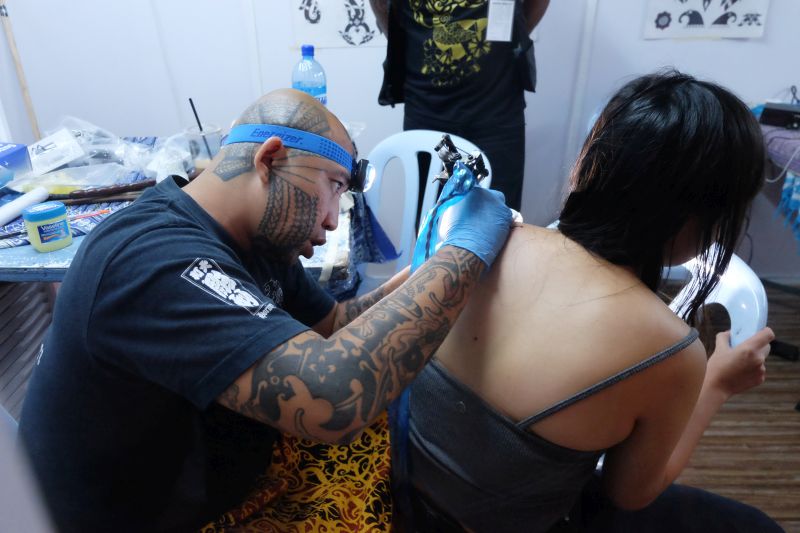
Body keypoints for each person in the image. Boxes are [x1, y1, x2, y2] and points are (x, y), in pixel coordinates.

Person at [16, 88, 514, 532]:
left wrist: (429, 265)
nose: (332, 221)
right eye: (335, 186)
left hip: (214, 477)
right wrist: (463, 254)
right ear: (271, 159)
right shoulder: (152, 261)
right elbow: (332, 402)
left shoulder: (257, 236)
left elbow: (334, 325)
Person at [393, 70, 784, 532]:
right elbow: (630, 493)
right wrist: (717, 383)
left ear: (592, 163)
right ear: (705, 215)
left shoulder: (488, 238)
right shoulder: (671, 350)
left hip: (394, 497)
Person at [369, 0, 550, 213]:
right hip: (427, 110)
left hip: (497, 109)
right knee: (432, 218)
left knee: (497, 217)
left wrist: (510, 30)